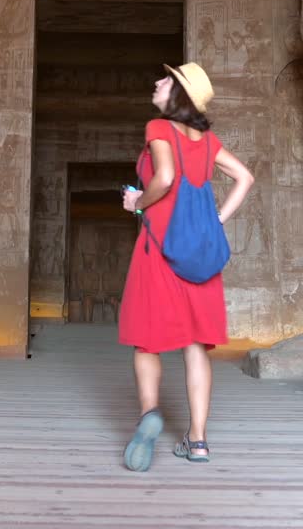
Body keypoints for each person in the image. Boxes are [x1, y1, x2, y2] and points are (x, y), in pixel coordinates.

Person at [119, 62, 254, 470]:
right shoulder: (208, 140)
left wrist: (137, 203)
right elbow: (245, 178)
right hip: (201, 254)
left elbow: (164, 177)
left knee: (147, 341)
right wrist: (215, 221)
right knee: (196, 346)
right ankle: (198, 441)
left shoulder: (158, 129)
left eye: (165, 79)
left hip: (158, 249)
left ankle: (150, 413)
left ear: (177, 92)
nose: (157, 81)